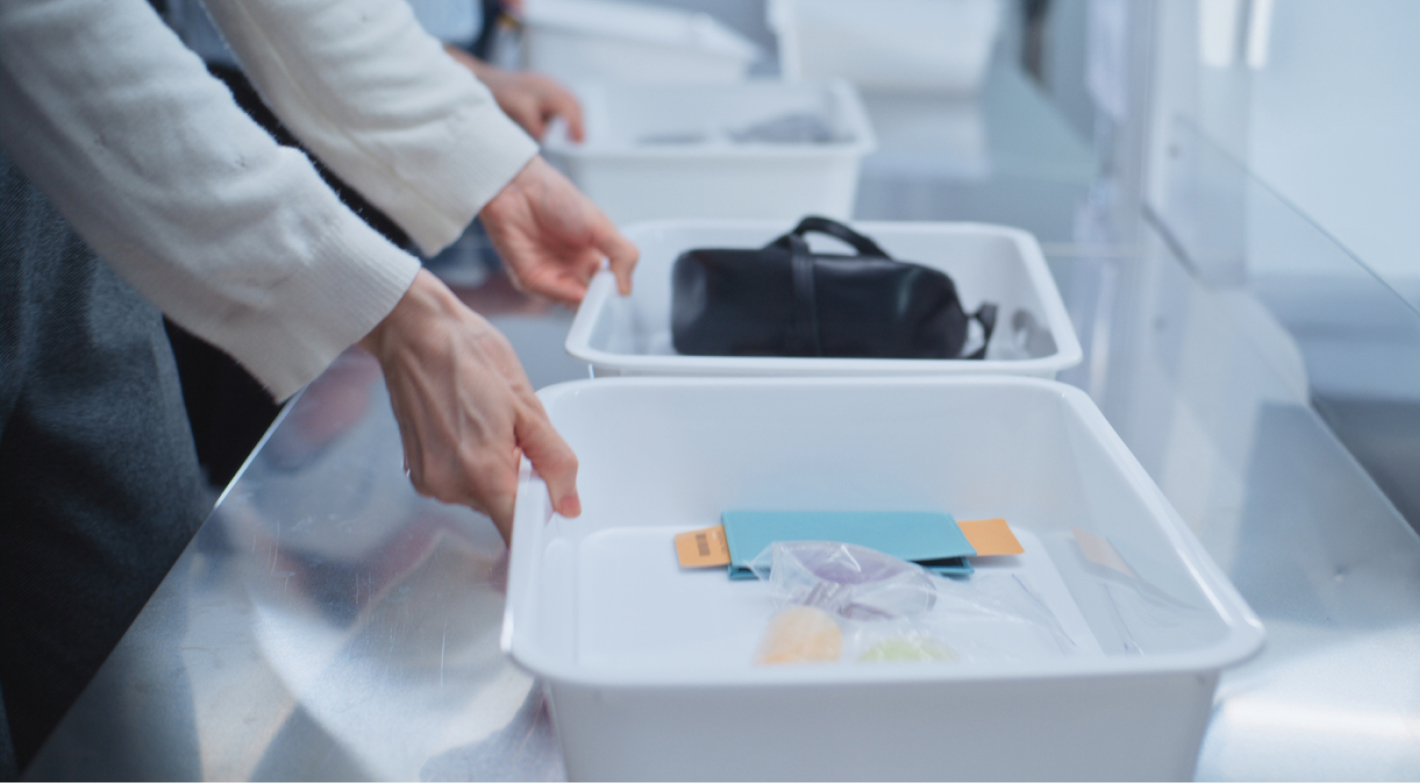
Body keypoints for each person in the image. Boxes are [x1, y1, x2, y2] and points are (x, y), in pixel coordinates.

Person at [0, 0, 636, 775]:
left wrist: (489, 164)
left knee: (134, 625)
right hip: (59, 118)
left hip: (80, 213)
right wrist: (386, 307)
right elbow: (54, 23)